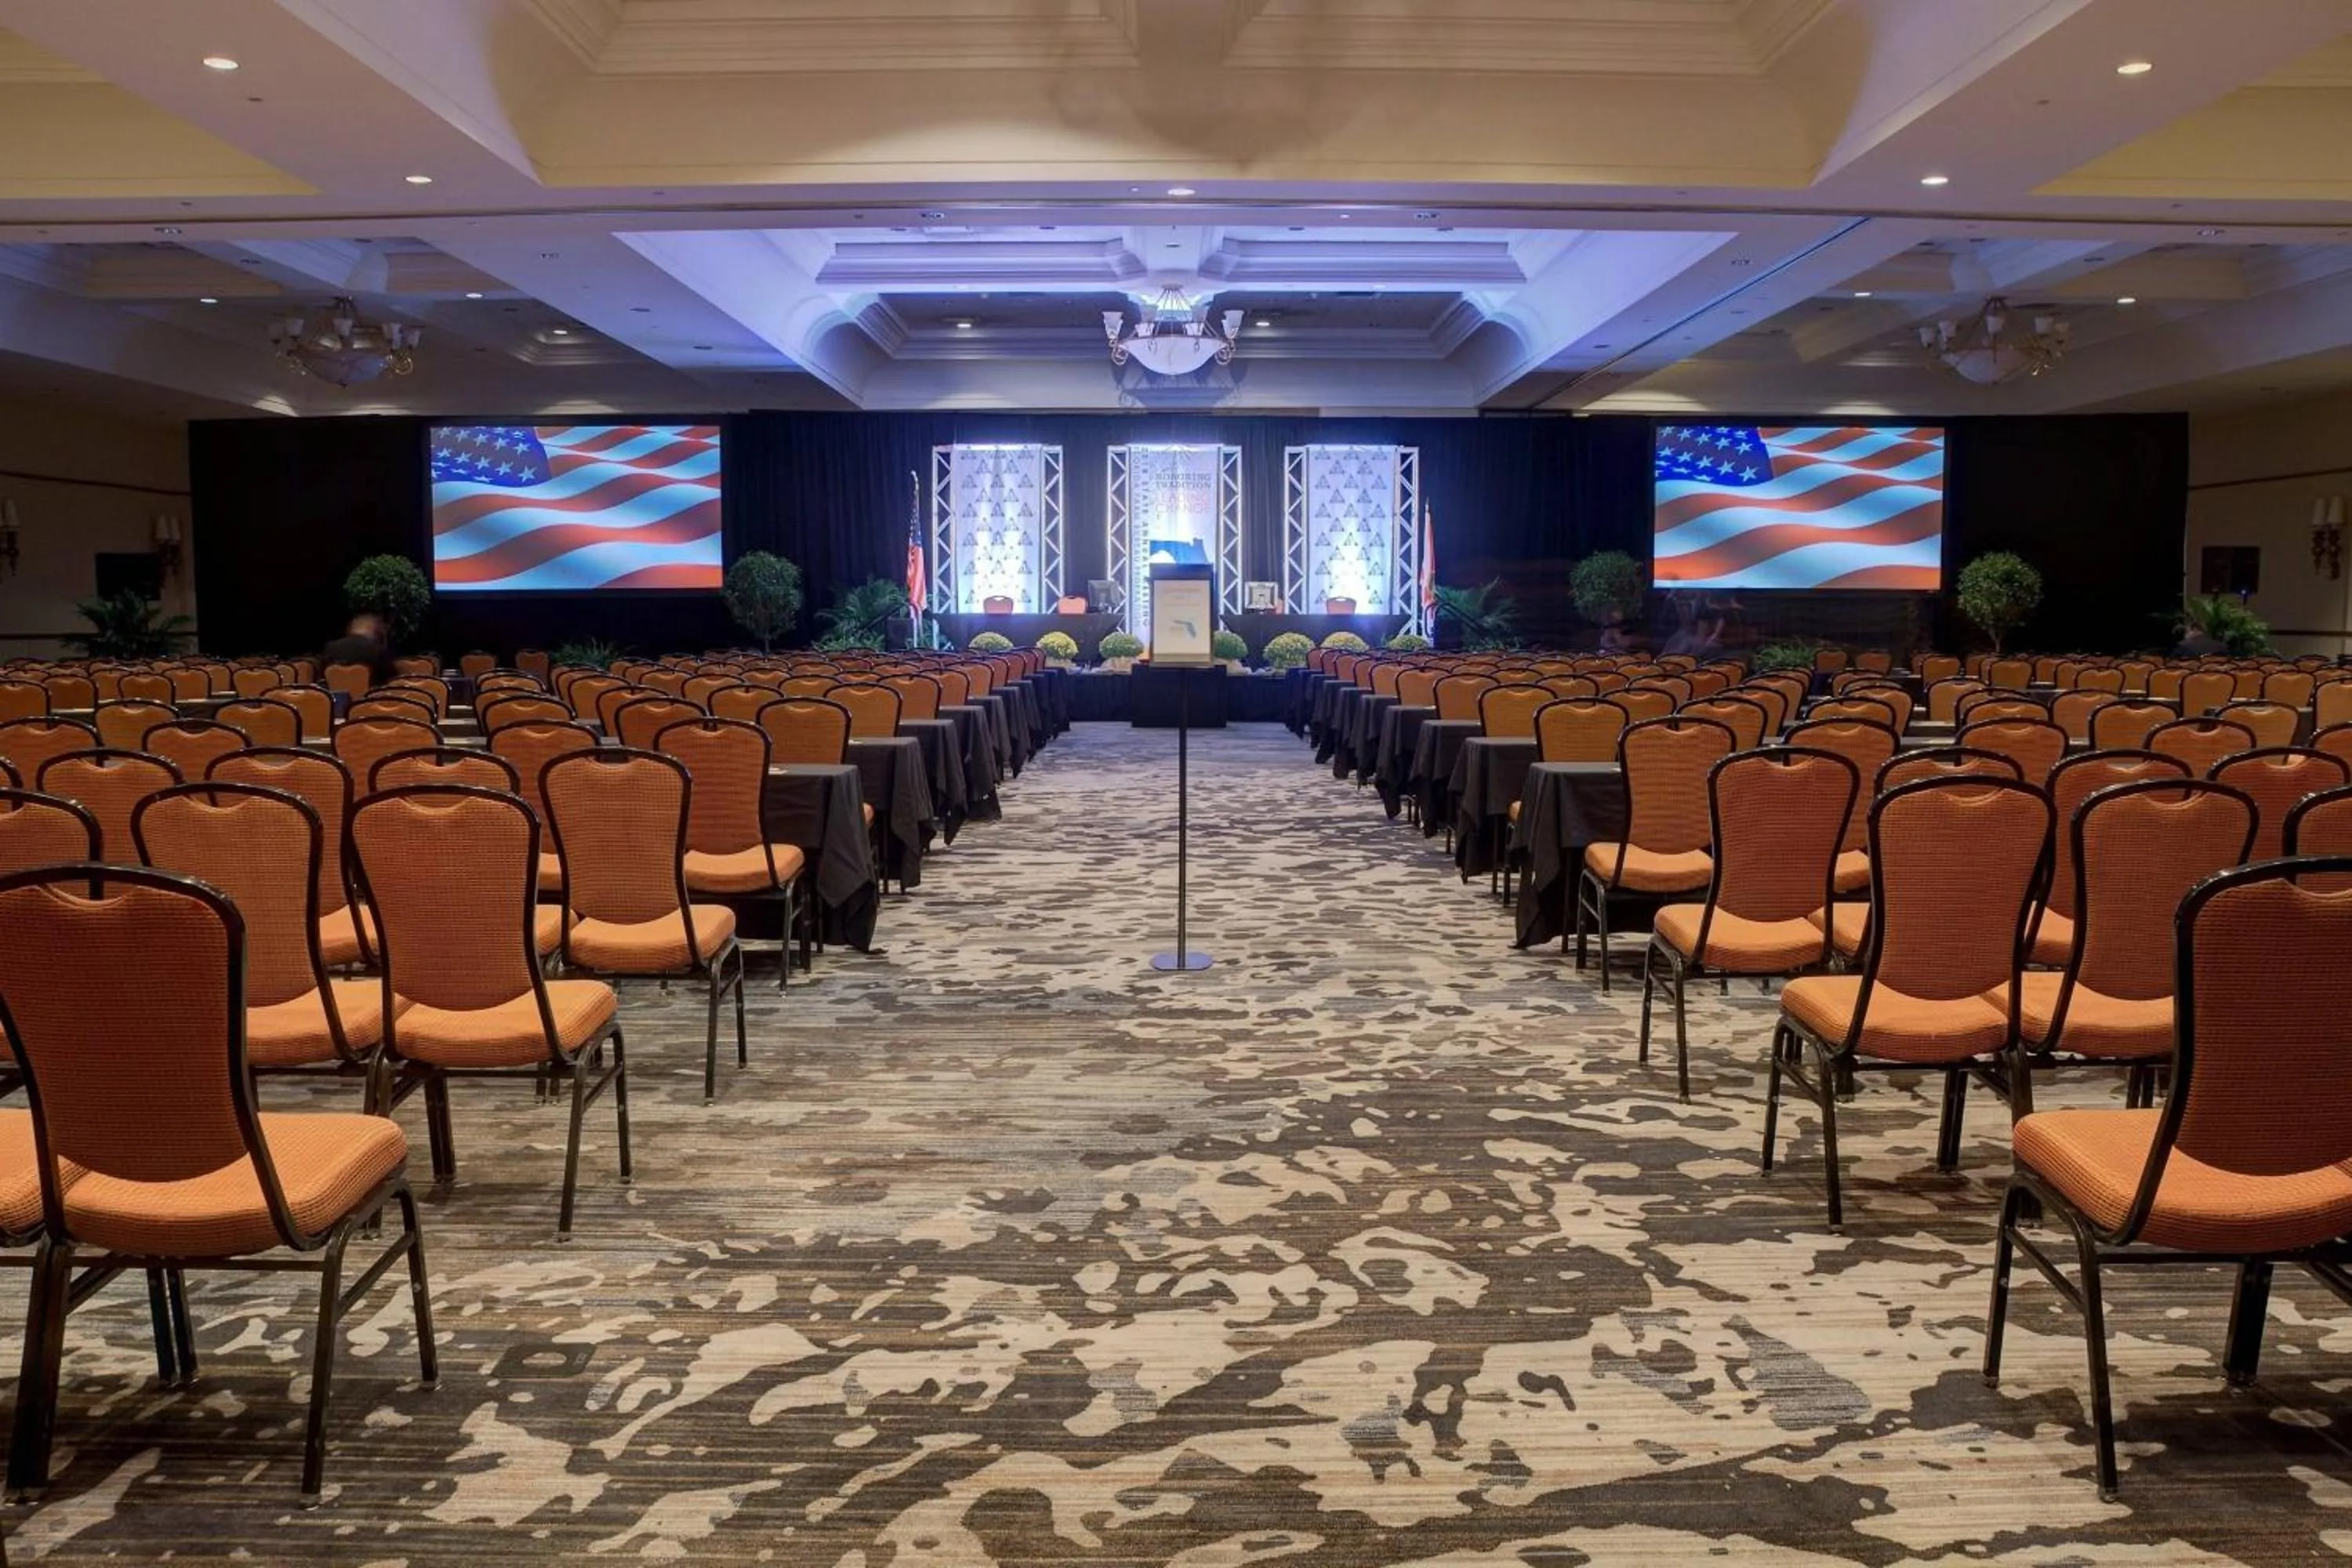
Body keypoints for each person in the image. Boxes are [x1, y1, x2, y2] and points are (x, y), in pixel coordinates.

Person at [321, 613, 394, 684]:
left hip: (334, 690)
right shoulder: (376, 650)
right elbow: (389, 676)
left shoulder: (331, 647)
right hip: (370, 690)